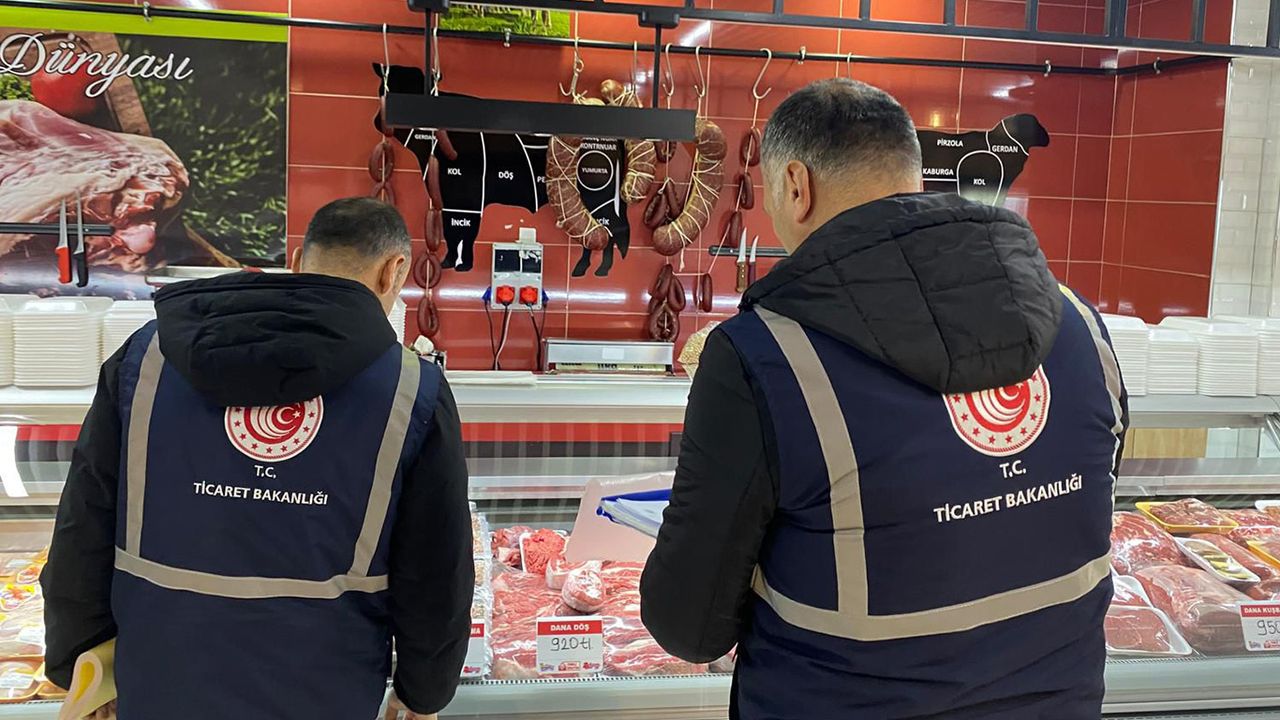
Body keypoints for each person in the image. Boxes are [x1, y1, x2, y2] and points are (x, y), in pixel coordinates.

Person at [641, 79, 1127, 719]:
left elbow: (689, 625)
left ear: (796, 185)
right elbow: (1081, 499)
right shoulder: (1076, 320)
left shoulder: (765, 354)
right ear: (911, 172)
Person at [41, 197, 473, 720]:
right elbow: (436, 566)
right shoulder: (411, 388)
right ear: (393, 272)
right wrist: (423, 690)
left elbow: (84, 520)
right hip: (326, 688)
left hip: (161, 679)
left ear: (297, 261)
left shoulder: (146, 357)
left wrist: (79, 661)